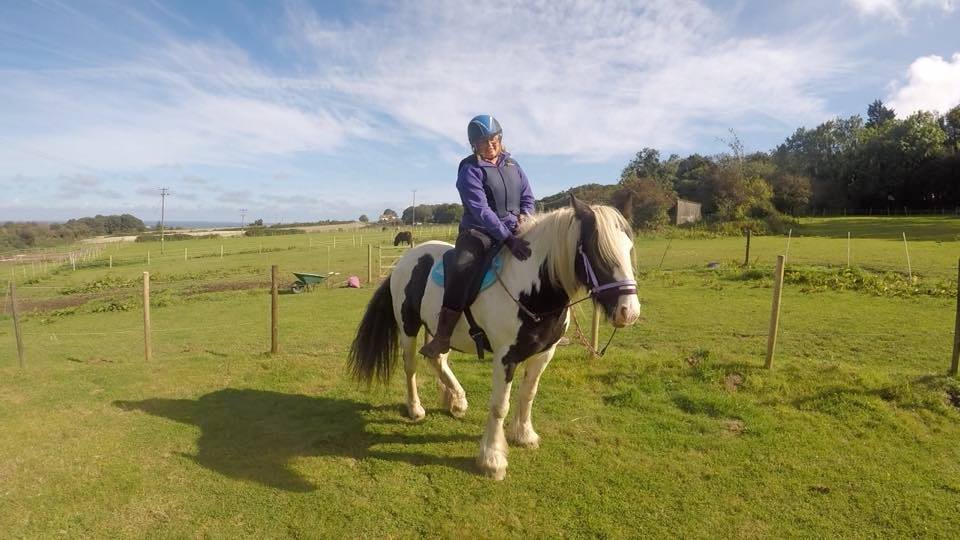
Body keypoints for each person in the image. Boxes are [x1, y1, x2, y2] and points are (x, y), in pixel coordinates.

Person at [420, 114, 536, 359]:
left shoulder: (514, 166)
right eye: (483, 142)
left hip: (516, 231)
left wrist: (525, 217)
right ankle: (442, 335)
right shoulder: (469, 169)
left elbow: (527, 197)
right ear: (474, 145)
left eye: (494, 139)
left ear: (500, 138)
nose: (490, 145)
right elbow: (481, 210)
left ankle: (546, 327)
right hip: (479, 233)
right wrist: (507, 237)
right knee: (462, 266)